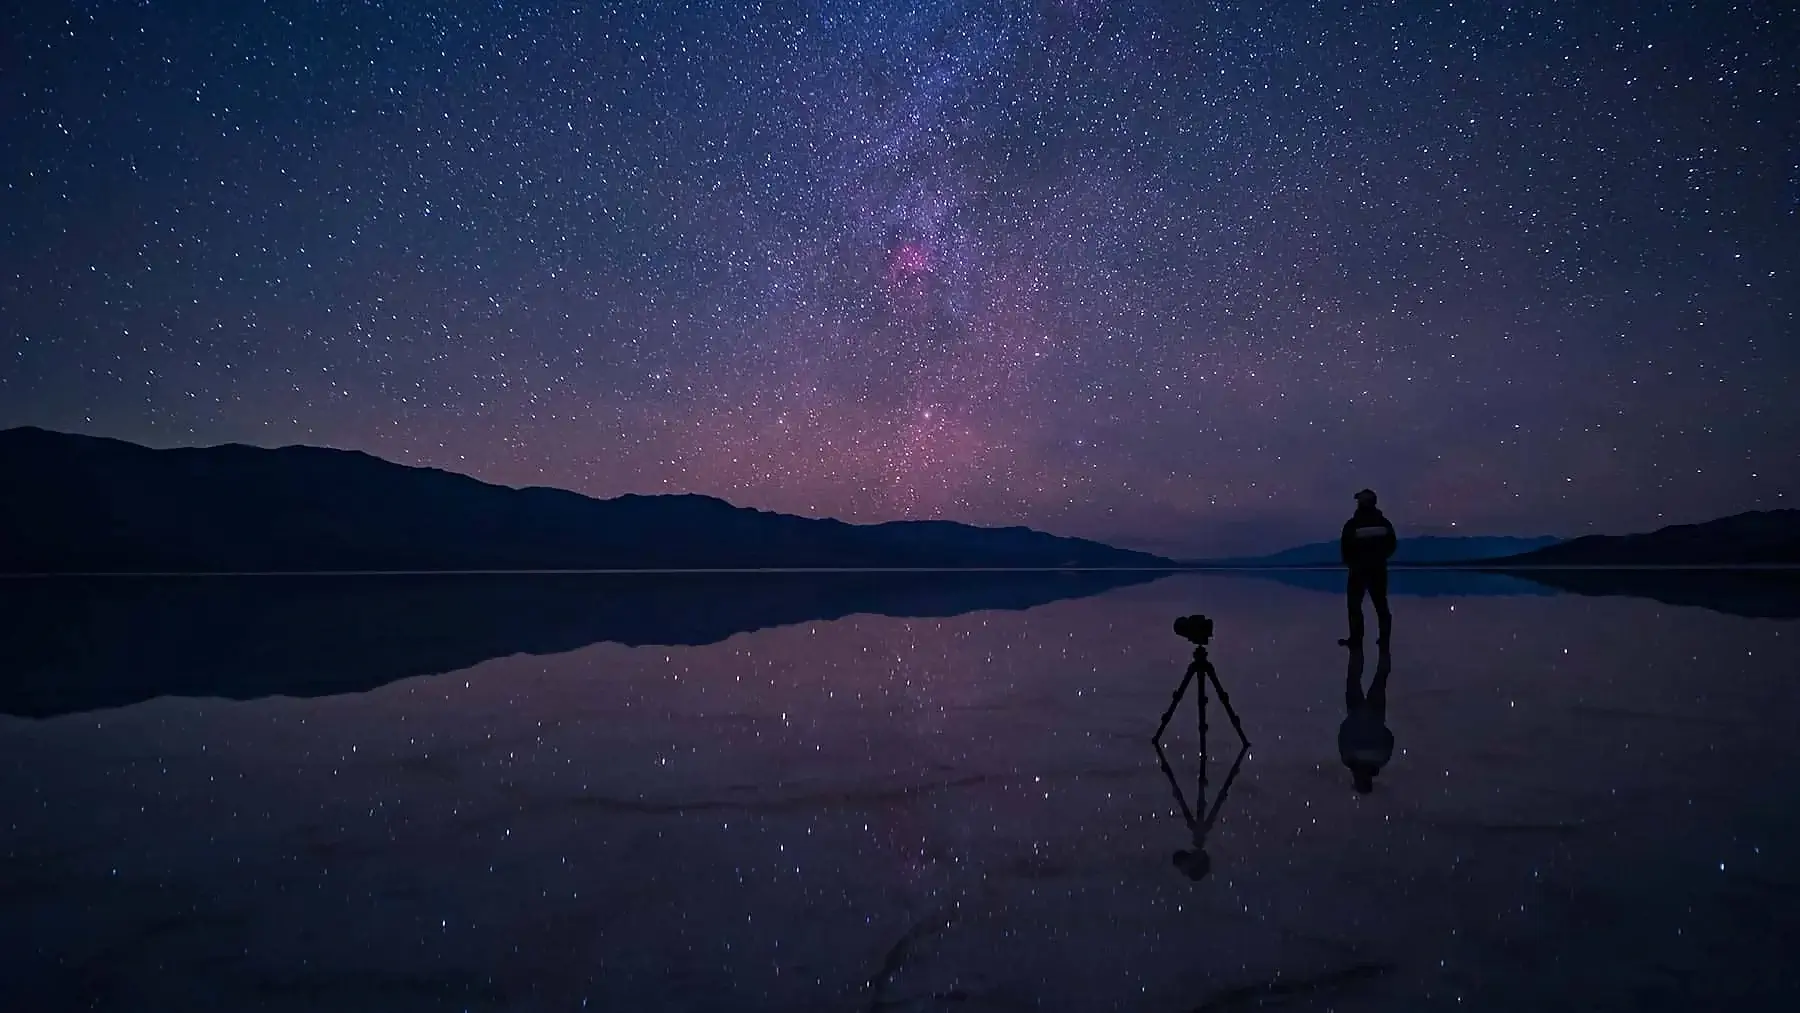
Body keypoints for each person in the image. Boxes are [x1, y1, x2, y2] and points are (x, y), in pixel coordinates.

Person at [1337, 488, 1396, 648]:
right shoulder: (1383, 523)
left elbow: (1345, 547)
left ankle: (1357, 639)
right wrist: (1380, 557)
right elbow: (1392, 545)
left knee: (1355, 606)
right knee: (1380, 605)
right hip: (1377, 570)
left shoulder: (1353, 524)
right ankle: (1383, 639)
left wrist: (1351, 562)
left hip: (1359, 571)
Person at [1338, 642, 1394, 794]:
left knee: (1378, 677)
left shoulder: (1380, 759)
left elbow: (1389, 738)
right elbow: (1342, 736)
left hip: (1370, 713)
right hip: (1360, 712)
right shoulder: (1350, 758)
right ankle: (1362, 648)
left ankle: (1380, 646)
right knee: (1358, 678)